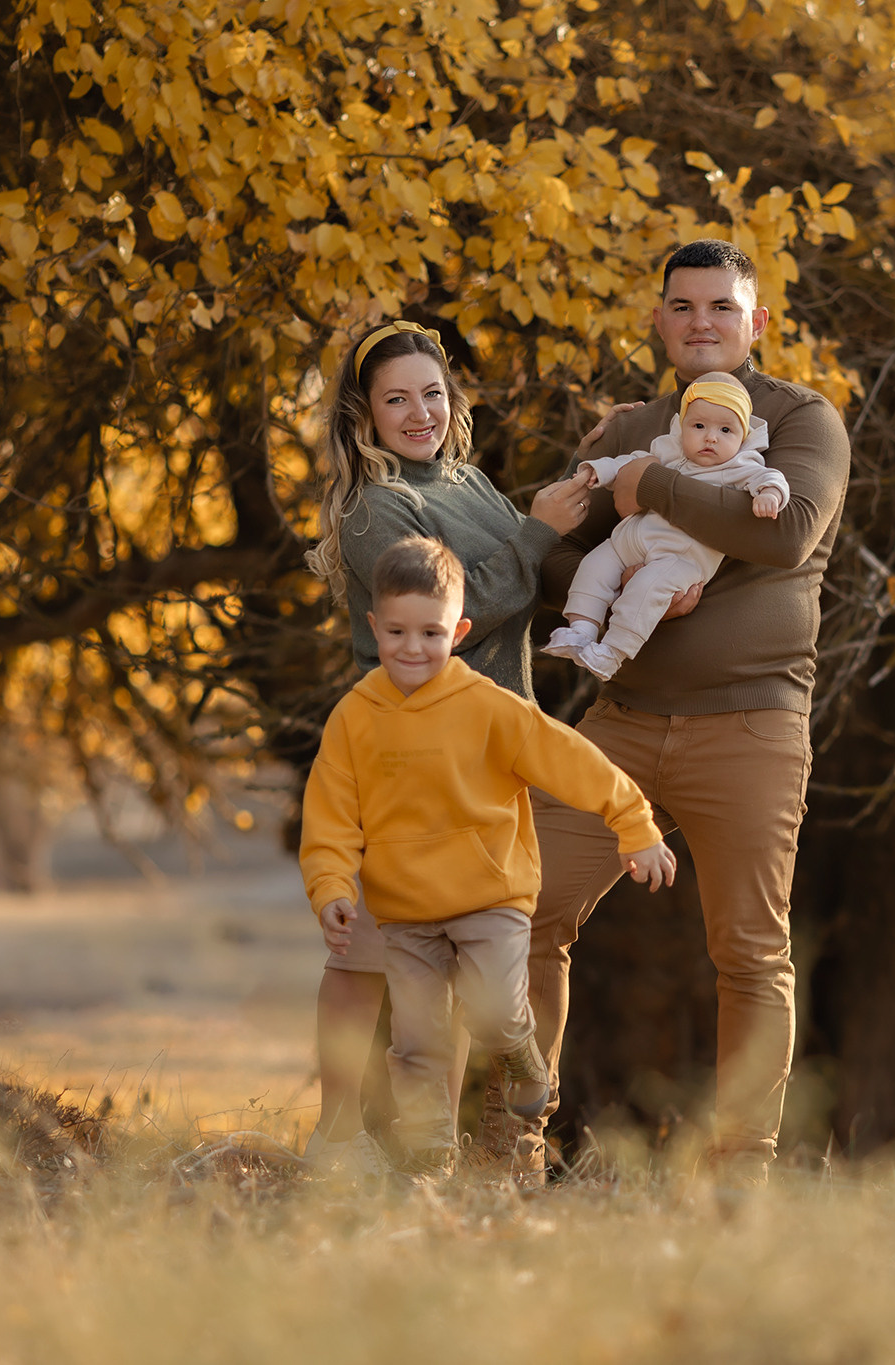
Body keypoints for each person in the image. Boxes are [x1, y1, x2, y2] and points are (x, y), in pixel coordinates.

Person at [486, 238, 852, 1183]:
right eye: (683, 306)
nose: (701, 323)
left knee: (750, 950)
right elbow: (553, 555)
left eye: (721, 308)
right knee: (525, 909)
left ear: (756, 322)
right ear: (660, 320)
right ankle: (507, 1144)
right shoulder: (626, 429)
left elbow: (785, 534)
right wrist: (633, 558)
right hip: (624, 722)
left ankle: (741, 1173)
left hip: (752, 724)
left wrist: (650, 492)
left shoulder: (802, 420)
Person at [300, 319, 593, 1178]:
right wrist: (536, 533)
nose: (420, 411)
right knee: (367, 957)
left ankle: (479, 1149)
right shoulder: (374, 509)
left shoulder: (467, 480)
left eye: (432, 392)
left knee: (487, 947)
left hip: (492, 755)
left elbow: (521, 574)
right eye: (397, 398)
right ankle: (339, 1136)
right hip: (401, 756)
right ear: (365, 414)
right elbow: (469, 601)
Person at [300, 536, 677, 1175]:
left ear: (460, 630)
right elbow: (331, 814)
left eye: (430, 633)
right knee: (417, 1044)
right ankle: (431, 1160)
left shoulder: (487, 708)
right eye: (396, 632)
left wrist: (634, 824)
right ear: (374, 626)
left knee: (495, 1012)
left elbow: (573, 762)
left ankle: (524, 1056)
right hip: (405, 911)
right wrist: (332, 888)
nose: (412, 648)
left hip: (489, 897)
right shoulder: (355, 717)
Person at [542, 370, 789, 680]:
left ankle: (612, 653)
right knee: (594, 566)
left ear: (742, 437)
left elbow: (770, 477)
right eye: (699, 426)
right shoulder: (668, 450)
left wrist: (770, 494)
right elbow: (629, 462)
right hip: (630, 542)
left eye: (725, 429)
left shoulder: (739, 464)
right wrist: (600, 470)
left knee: (647, 590)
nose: (710, 437)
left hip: (679, 557)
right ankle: (581, 629)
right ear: (681, 426)